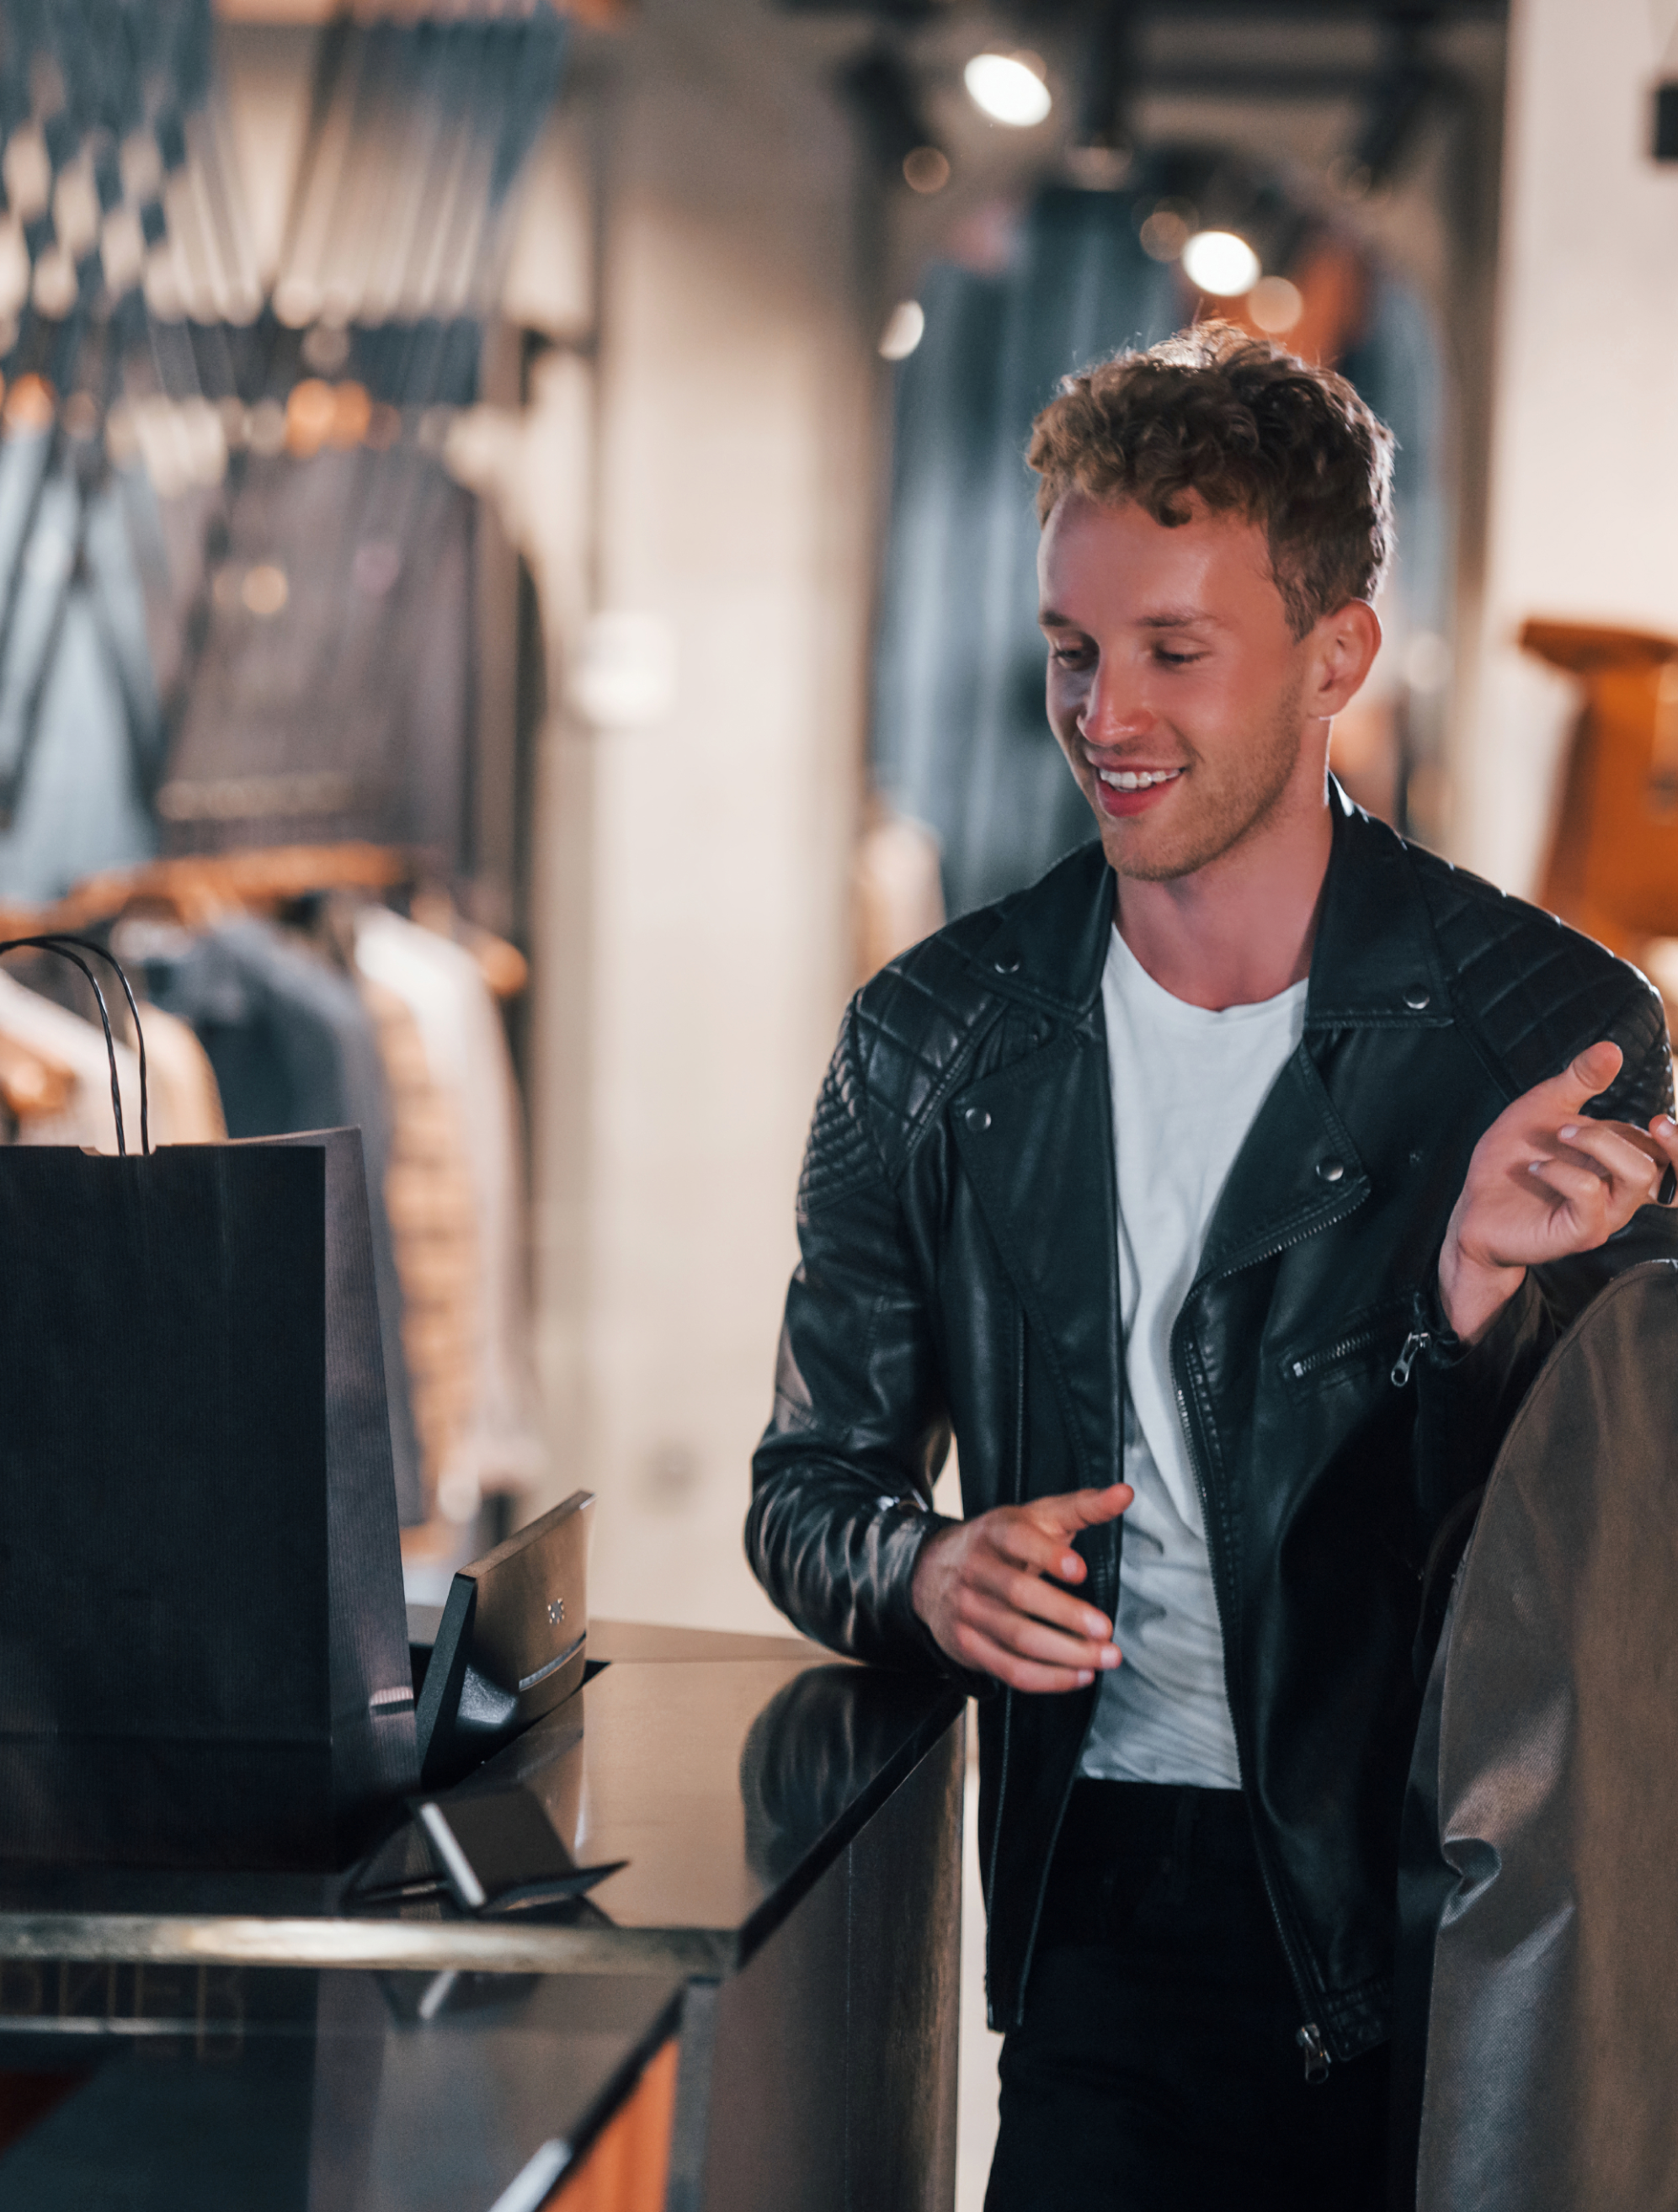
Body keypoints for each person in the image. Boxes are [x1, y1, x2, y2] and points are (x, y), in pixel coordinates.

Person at [746, 326, 1678, 2209]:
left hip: (1464, 1897)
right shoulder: (929, 1045)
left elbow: (1600, 1596)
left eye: (1174, 652)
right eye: (1072, 653)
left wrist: (1471, 1316)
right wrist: (924, 1570)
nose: (1106, 713)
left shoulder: (1547, 1035)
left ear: (1339, 652)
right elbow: (806, 1494)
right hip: (1109, 1909)